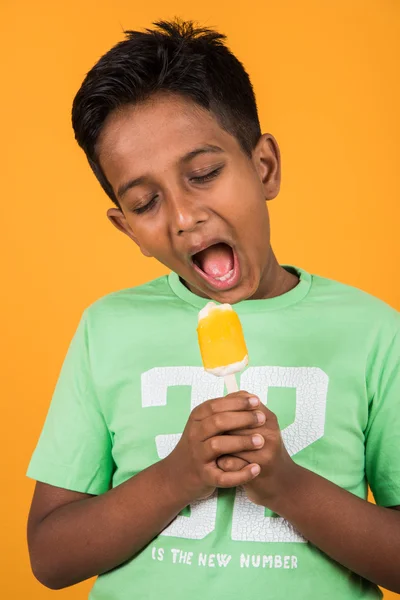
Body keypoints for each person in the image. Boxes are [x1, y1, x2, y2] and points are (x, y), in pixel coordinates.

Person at [27, 19, 400, 600]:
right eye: (146, 202)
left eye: (203, 174)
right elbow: (50, 556)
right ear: (128, 230)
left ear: (265, 168)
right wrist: (177, 477)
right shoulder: (108, 329)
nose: (182, 216)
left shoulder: (374, 332)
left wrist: (287, 486)